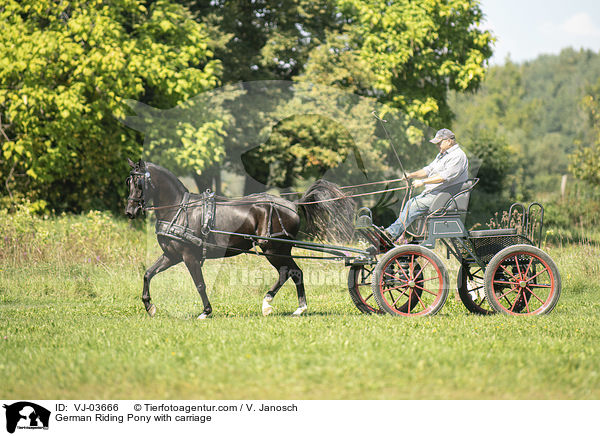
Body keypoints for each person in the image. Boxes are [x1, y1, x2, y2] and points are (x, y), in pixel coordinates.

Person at [385, 128, 469, 242]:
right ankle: (401, 235)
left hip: (446, 197)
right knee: (412, 203)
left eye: (439, 143)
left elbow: (444, 177)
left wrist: (423, 182)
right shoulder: (442, 155)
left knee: (413, 204)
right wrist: (411, 175)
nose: (437, 146)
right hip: (436, 194)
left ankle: (390, 234)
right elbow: (428, 170)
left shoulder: (457, 156)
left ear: (449, 141)